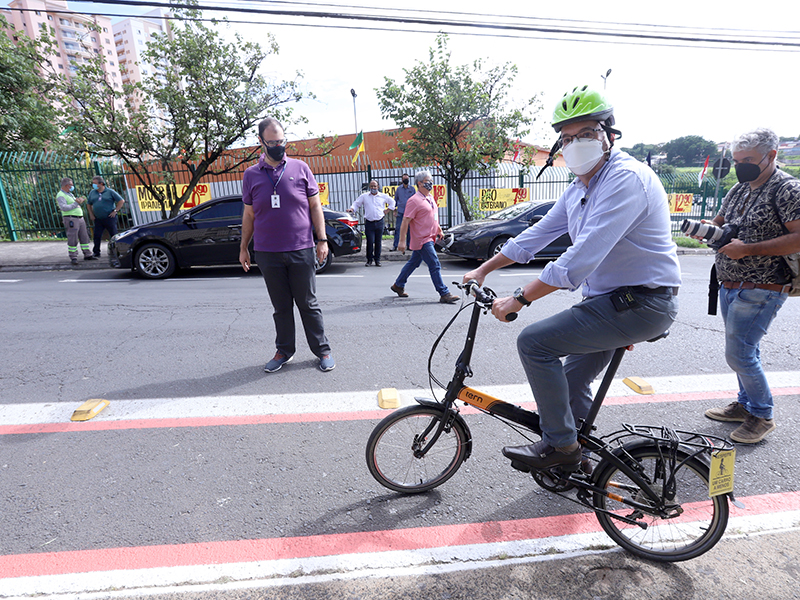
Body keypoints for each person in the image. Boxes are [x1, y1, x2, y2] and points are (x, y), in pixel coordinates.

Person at [463, 84, 680, 471]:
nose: (575, 143)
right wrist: (483, 268)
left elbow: (577, 260)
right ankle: (578, 456)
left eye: (586, 134)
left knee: (534, 343)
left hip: (641, 302)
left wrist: (519, 299)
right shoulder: (580, 187)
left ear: (609, 136)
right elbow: (535, 235)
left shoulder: (625, 179)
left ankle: (561, 447)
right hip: (613, 303)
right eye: (566, 137)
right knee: (571, 380)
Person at [702, 128, 800, 444]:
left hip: (764, 285)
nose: (741, 166)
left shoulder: (787, 189)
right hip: (729, 283)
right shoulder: (739, 189)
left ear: (771, 156)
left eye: (748, 160)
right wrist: (705, 231)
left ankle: (761, 414)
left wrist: (748, 249)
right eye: (736, 160)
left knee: (740, 354)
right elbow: (718, 222)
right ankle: (745, 405)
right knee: (745, 350)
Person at [239, 117, 335, 373]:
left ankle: (322, 350)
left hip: (301, 249)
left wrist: (321, 239)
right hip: (268, 253)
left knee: (308, 304)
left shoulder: (301, 168)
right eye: (272, 142)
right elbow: (248, 215)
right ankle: (284, 350)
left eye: (281, 141)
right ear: (261, 142)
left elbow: (316, 207)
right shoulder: (251, 175)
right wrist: (243, 247)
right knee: (281, 307)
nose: (278, 146)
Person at [390, 170, 459, 304]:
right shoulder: (414, 200)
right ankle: (444, 293)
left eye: (431, 180)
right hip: (422, 239)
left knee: (414, 263)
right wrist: (402, 241)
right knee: (434, 264)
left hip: (431, 237)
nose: (431, 183)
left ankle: (398, 285)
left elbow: (432, 217)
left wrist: (439, 229)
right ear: (420, 183)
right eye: (428, 181)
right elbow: (405, 221)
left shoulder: (430, 197)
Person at [348, 180, 395, 266]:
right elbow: (356, 203)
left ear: (378, 187)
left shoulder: (383, 196)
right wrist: (352, 209)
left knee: (378, 242)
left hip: (379, 221)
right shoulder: (365, 196)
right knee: (370, 241)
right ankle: (369, 260)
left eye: (375, 186)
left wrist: (387, 210)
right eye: (371, 186)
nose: (373, 188)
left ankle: (377, 260)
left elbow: (392, 202)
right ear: (369, 187)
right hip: (369, 222)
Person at [56, 176, 96, 266]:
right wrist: (76, 203)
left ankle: (87, 254)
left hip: (79, 218)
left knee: (84, 236)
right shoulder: (61, 195)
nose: (73, 186)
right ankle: (73, 257)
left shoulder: (69, 194)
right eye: (71, 185)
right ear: (67, 185)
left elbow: (73, 204)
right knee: (73, 238)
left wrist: (79, 201)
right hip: (71, 218)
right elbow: (64, 208)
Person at [86, 176, 124, 258]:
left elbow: (121, 201)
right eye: (93, 183)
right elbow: (89, 203)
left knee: (113, 235)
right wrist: (91, 214)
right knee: (97, 235)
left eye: (95, 183)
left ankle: (116, 251)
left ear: (101, 183)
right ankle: (96, 252)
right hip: (98, 218)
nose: (93, 185)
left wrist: (115, 211)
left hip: (109, 217)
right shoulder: (92, 192)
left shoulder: (110, 192)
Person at [392, 173, 415, 251]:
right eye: (404, 178)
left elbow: (415, 201)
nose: (406, 180)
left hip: (410, 213)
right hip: (401, 212)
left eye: (407, 178)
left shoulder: (412, 189)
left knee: (409, 229)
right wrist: (394, 210)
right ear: (402, 180)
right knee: (398, 229)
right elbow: (395, 200)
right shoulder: (398, 189)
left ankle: (409, 245)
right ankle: (395, 245)